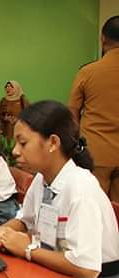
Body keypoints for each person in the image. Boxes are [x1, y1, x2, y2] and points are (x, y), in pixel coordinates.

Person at [0, 100, 119, 278]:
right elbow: (26, 220)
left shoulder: (80, 189)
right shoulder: (44, 179)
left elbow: (86, 269)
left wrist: (28, 249)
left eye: (23, 143)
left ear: (53, 143)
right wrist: (6, 228)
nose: (15, 151)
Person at [69, 16, 119, 201]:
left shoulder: (88, 72)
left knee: (95, 209)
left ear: (103, 39)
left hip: (96, 152)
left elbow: (72, 112)